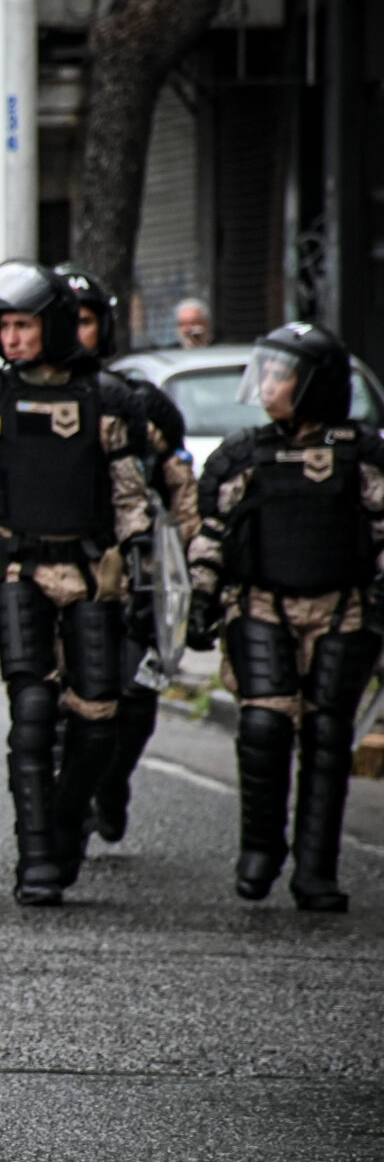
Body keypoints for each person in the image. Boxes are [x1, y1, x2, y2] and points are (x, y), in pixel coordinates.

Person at [0, 262, 157, 904]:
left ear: (54, 326)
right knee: (32, 713)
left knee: (98, 716)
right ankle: (35, 858)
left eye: (24, 326)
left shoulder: (107, 400)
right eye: (3, 326)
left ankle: (67, 822)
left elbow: (129, 494)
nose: (11, 339)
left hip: (92, 576)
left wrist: (145, 577)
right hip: (17, 572)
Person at [186, 323, 384, 911]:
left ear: (316, 385)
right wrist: (201, 599)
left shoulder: (362, 455)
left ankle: (317, 869)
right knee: (264, 726)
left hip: (341, 611)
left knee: (328, 735)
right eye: (266, 373)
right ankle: (260, 849)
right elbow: (212, 534)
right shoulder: (243, 455)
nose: (268, 385)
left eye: (282, 375)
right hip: (261, 605)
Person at [58, 266, 199, 847]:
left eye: (84, 321)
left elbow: (179, 495)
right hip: (56, 576)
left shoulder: (140, 406)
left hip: (133, 579)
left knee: (135, 700)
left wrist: (197, 576)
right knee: (59, 704)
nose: (72, 332)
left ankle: (111, 781)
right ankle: (65, 813)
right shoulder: (14, 405)